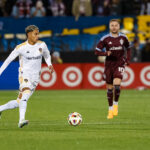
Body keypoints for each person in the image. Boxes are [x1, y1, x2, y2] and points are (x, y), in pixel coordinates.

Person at [0, 25, 54, 128]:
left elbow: (47, 56)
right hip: (24, 75)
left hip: (35, 78)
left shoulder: (42, 45)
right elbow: (8, 60)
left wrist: (50, 64)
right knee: (25, 93)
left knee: (19, 102)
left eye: (38, 33)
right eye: (35, 34)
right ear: (28, 34)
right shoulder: (21, 48)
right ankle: (21, 120)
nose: (37, 36)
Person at [95, 19, 131, 119]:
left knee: (117, 86)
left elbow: (128, 48)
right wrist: (105, 53)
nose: (114, 27)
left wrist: (127, 59)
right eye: (112, 25)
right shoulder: (105, 38)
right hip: (108, 65)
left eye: (116, 25)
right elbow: (97, 51)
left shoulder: (123, 37)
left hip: (119, 63)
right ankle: (110, 109)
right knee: (110, 88)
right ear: (109, 27)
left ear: (119, 26)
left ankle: (115, 104)